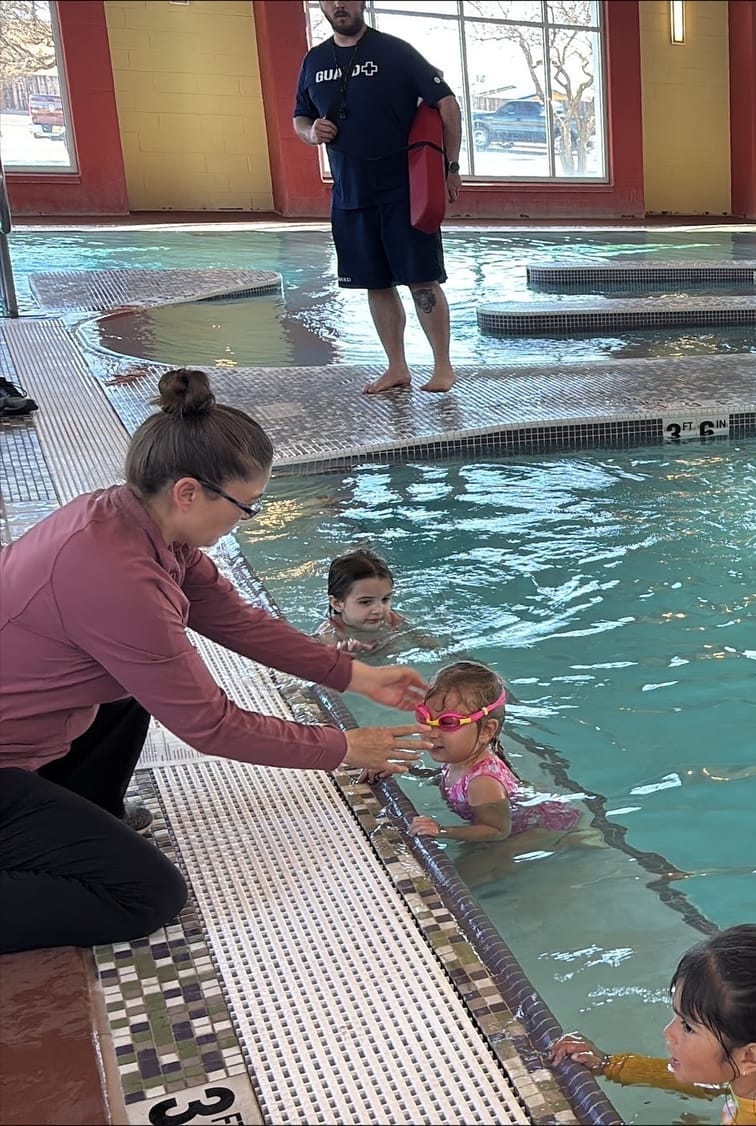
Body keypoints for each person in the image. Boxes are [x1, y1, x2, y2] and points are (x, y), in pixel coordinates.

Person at [0, 368, 435, 955]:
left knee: (129, 689)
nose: (245, 520)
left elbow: (234, 619)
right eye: (246, 506)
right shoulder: (116, 578)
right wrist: (344, 748)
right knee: (145, 896)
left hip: (22, 730)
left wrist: (358, 676)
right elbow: (211, 724)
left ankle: (81, 810)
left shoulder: (133, 521)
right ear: (188, 491)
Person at [293, 0, 463, 395]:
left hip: (403, 190)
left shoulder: (395, 51)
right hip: (350, 192)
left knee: (422, 280)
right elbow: (300, 116)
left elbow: (448, 105)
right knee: (375, 282)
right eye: (330, 0)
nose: (339, 5)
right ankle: (397, 368)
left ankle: (442, 367)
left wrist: (450, 169)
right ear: (321, 6)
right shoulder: (314, 61)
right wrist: (310, 132)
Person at [550, 924, 756, 1125]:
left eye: (687, 1026)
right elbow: (710, 1081)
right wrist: (609, 1064)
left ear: (751, 1057)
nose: (668, 1032)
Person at [406, 661, 582, 844]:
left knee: (476, 868)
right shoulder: (459, 756)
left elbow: (497, 830)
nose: (431, 733)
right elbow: (447, 780)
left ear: (486, 731)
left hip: (542, 829)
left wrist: (442, 830)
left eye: (448, 723)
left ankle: (580, 838)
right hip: (522, 813)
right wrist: (405, 768)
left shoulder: (482, 783)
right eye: (424, 717)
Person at [319, 548, 410, 654]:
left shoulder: (393, 620)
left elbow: (429, 643)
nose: (379, 610)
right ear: (337, 603)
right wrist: (344, 658)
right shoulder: (330, 635)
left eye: (385, 599)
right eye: (366, 602)